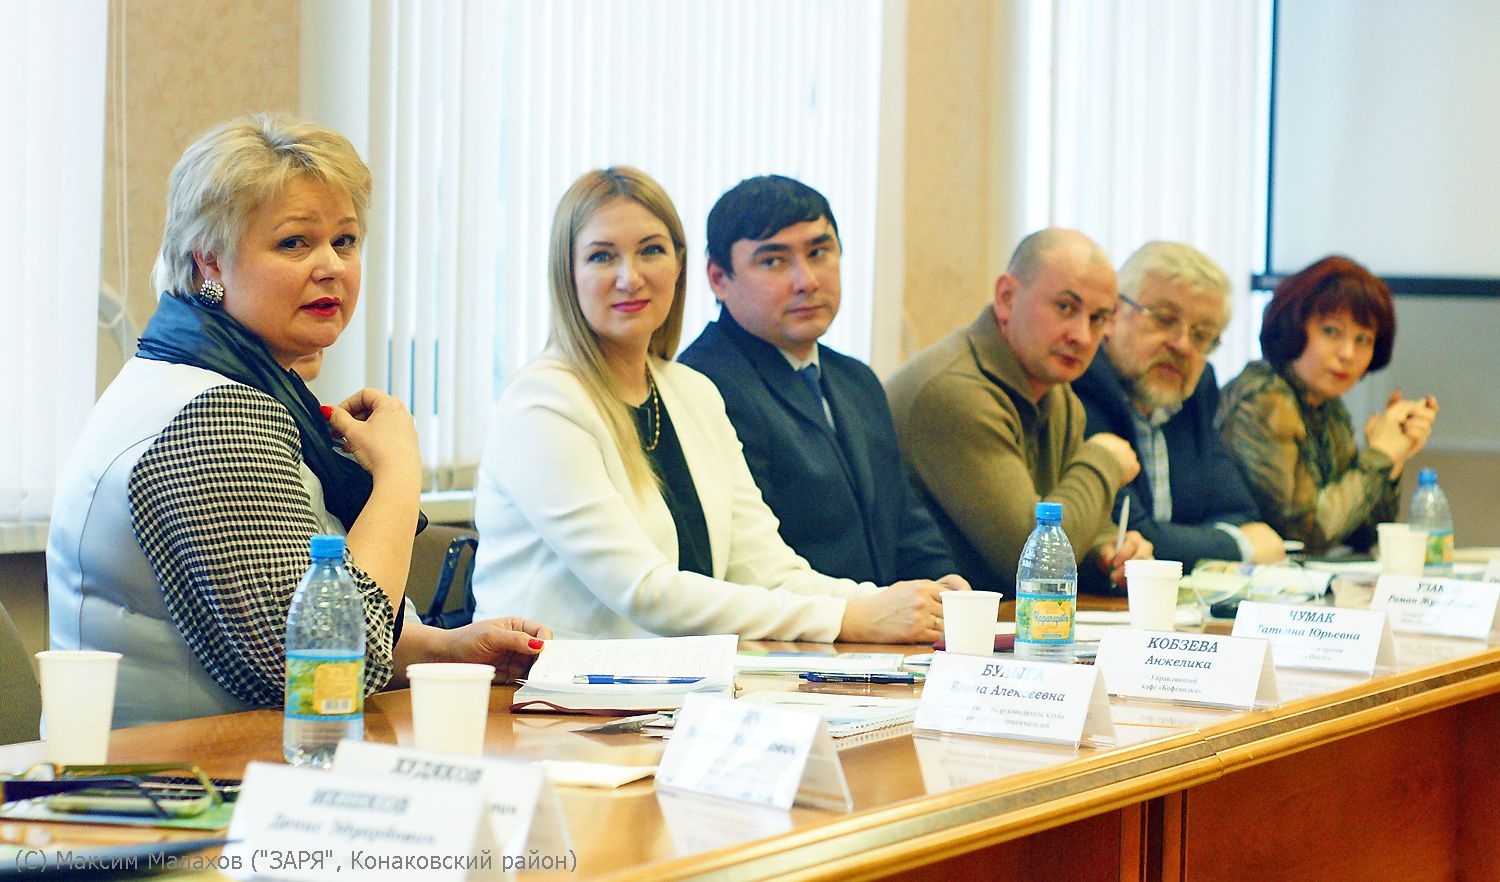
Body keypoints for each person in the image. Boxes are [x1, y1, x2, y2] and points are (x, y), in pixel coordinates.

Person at [47, 114, 549, 729]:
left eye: (346, 240)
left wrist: (444, 650)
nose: (331, 265)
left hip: (228, 764)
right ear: (210, 262)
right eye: (294, 243)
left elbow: (288, 631)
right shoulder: (214, 417)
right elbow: (322, 669)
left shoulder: (199, 377)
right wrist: (398, 474)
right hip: (175, 781)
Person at [472, 167, 964, 642]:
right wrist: (848, 617)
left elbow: (767, 569)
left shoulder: (691, 391)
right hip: (541, 688)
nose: (630, 277)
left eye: (651, 250)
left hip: (672, 682)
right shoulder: (542, 404)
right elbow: (643, 590)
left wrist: (905, 603)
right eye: (602, 256)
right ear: (567, 274)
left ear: (679, 266)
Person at [677, 175, 959, 586]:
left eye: (819, 252)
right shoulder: (703, 386)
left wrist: (945, 584)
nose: (806, 281)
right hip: (795, 622)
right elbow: (753, 566)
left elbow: (907, 526)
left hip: (887, 620)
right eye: (773, 261)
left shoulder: (856, 380)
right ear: (719, 278)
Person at [886, 228, 1153, 595]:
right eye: (1065, 307)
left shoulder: (1056, 392)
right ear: (1006, 297)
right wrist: (1102, 461)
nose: (1082, 336)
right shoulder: (953, 391)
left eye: (1097, 318)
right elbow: (1029, 557)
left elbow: (1066, 519)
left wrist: (1110, 552)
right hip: (933, 620)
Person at [1073, 242, 1284, 569]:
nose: (1183, 345)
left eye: (1201, 335)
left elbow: (1240, 513)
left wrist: (1188, 540)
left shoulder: (1194, 393)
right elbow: (1131, 538)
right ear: (1113, 314)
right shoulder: (1080, 385)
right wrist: (1240, 546)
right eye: (1164, 319)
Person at [1217, 256, 1437, 554]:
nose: (1348, 353)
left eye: (1363, 339)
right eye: (1331, 331)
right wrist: (1380, 456)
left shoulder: (1327, 406)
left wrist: (1394, 456)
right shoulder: (1263, 399)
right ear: (1294, 328)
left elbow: (1361, 534)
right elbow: (1308, 534)